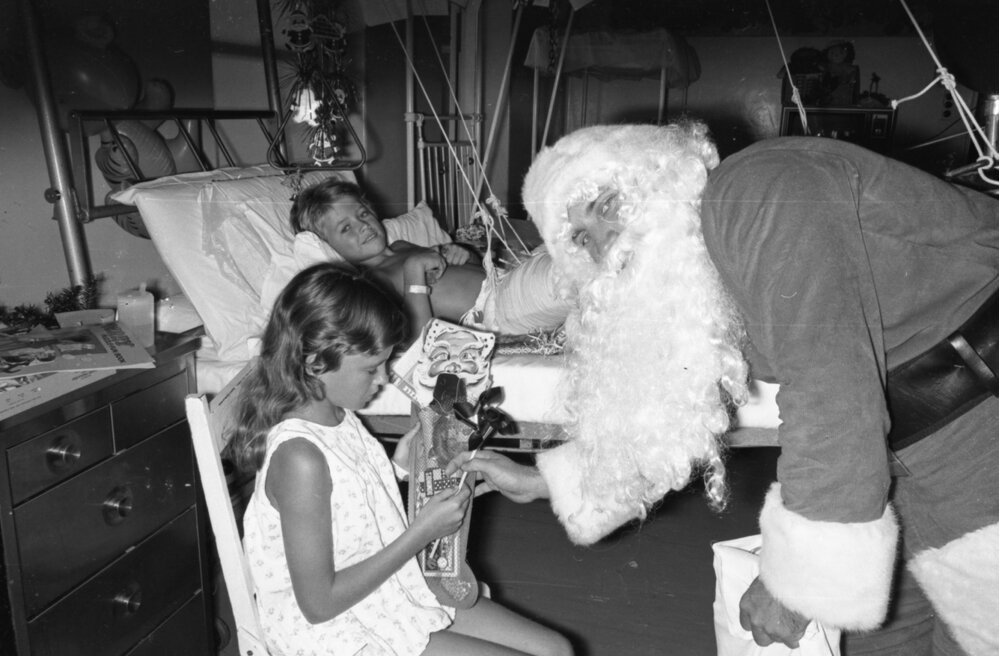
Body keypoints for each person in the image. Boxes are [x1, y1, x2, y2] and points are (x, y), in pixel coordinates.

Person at [450, 122, 999, 655]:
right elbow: (672, 414)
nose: (605, 242)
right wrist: (543, 481)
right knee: (888, 639)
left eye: (608, 203)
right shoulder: (705, 269)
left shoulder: (756, 193)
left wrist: (795, 586)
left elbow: (829, 385)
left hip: (978, 417)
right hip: (898, 446)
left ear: (663, 177)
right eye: (580, 237)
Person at [228, 263, 573, 656]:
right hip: (340, 633)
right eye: (372, 369)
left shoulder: (340, 418)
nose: (383, 381)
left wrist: (402, 470)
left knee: (557, 650)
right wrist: (421, 533)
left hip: (388, 594)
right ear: (314, 363)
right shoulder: (298, 459)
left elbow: (348, 510)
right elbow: (319, 604)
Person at [289, 179, 573, 340]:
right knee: (569, 277)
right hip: (496, 309)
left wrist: (465, 256)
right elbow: (417, 338)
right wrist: (414, 273)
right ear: (330, 248)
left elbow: (469, 275)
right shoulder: (368, 283)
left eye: (362, 213)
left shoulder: (401, 245)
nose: (362, 225)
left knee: (570, 250)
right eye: (346, 228)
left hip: (503, 281)